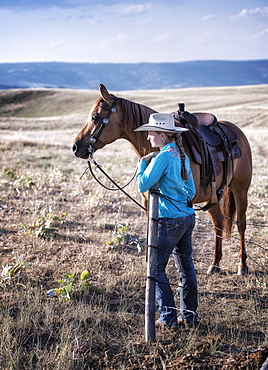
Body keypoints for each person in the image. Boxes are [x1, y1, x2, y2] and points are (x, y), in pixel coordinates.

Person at [135, 113, 198, 329]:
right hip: (187, 217)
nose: (148, 138)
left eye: (151, 133)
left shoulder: (162, 157)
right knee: (186, 267)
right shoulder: (181, 154)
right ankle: (189, 316)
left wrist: (142, 164)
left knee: (156, 268)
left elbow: (143, 185)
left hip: (169, 220)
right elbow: (192, 190)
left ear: (162, 135)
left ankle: (168, 319)